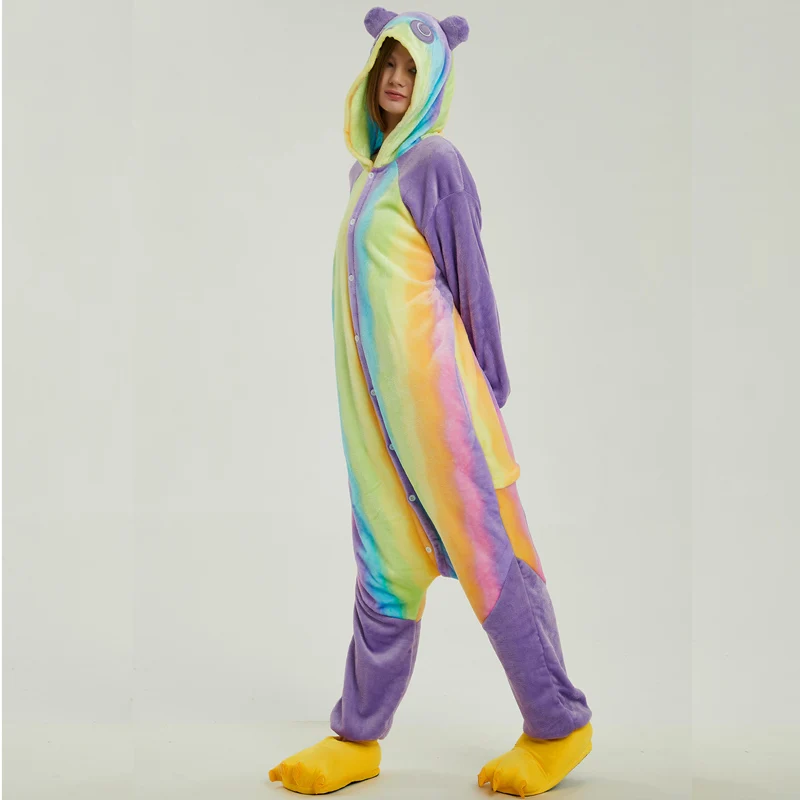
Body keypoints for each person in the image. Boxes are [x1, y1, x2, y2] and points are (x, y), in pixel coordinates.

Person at [269, 7, 593, 796]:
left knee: (495, 567)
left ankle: (557, 726)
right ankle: (357, 737)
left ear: (434, 81)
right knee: (383, 574)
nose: (395, 78)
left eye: (412, 68)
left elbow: (471, 280)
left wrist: (490, 386)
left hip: (447, 421)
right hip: (375, 427)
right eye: (388, 63)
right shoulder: (364, 179)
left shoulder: (436, 164)